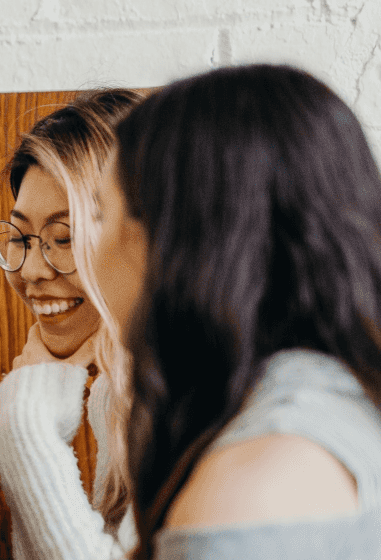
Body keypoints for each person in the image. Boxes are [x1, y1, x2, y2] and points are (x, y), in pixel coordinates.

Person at [96, 64, 381, 558]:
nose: (87, 251)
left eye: (101, 215)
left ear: (165, 244)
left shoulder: (256, 486)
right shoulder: (338, 401)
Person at [0, 89, 142, 559]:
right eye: (21, 237)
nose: (31, 271)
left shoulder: (201, 402)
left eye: (64, 237)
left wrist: (25, 425)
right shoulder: (117, 391)